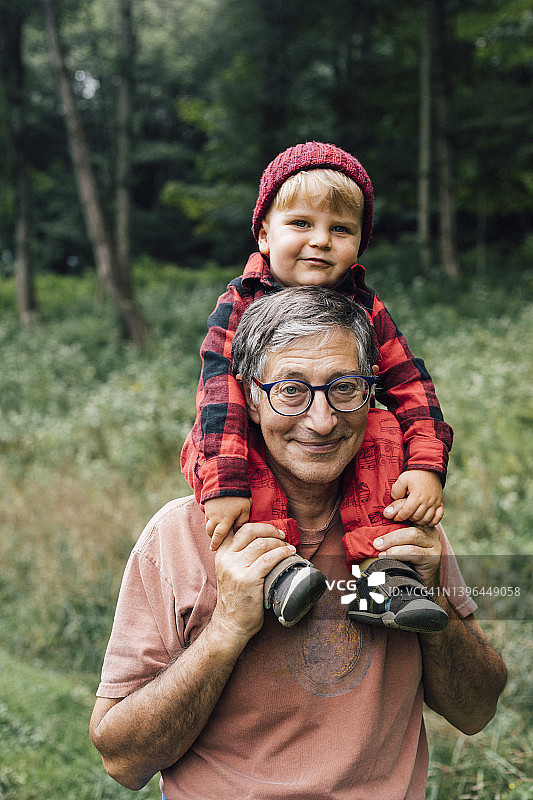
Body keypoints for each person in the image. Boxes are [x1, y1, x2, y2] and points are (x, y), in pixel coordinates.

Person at [90, 287, 507, 800]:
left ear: (371, 392)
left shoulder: (402, 523)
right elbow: (120, 758)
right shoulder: (178, 535)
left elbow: (476, 712)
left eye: (345, 387)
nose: (322, 419)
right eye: (291, 389)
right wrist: (226, 629)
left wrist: (435, 599)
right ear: (250, 399)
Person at [181, 140, 453, 626]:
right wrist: (225, 483)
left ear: (358, 245)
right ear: (264, 234)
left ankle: (381, 575)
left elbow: (411, 384)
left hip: (348, 460)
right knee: (231, 445)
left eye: (341, 229)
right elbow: (219, 398)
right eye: (301, 223)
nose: (321, 240)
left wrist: (427, 464)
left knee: (382, 428)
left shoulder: (365, 309)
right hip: (249, 435)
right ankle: (277, 571)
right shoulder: (240, 305)